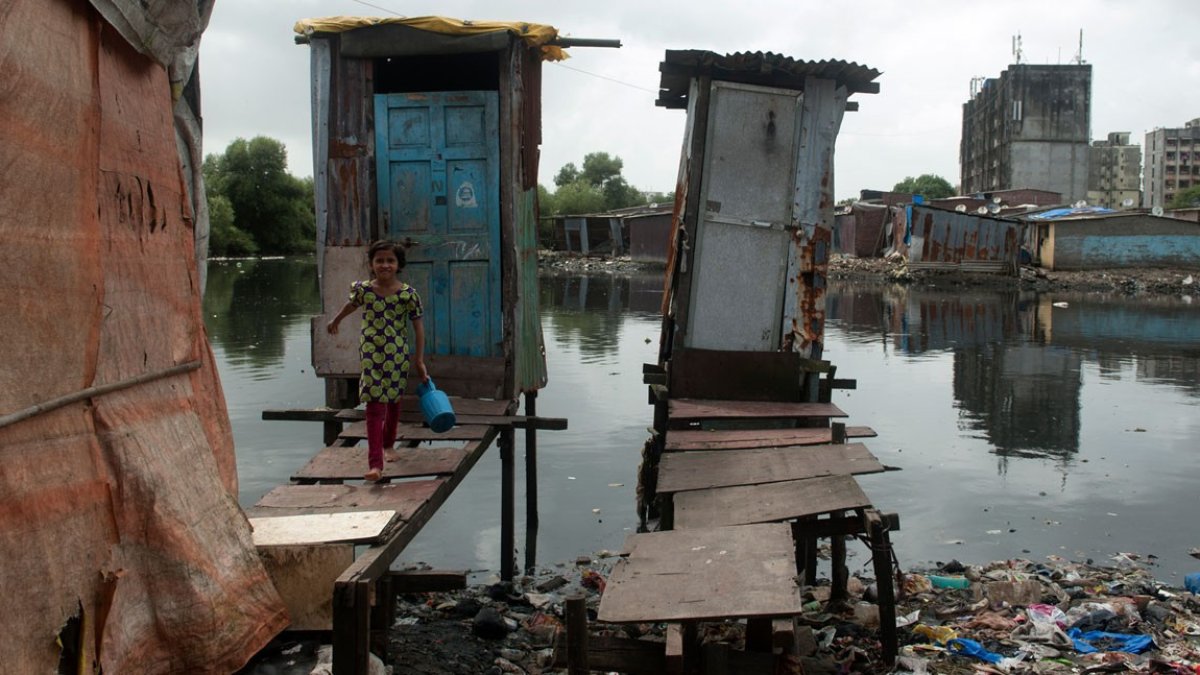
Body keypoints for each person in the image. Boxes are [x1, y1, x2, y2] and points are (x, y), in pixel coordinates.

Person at [326, 240, 427, 481]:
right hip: (371, 353)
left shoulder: (407, 295)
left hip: (397, 354)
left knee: (393, 400)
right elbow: (351, 305)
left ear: (398, 265)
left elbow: (418, 328)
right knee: (374, 404)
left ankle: (389, 443)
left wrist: (419, 360)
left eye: (390, 261)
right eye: (379, 260)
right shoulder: (364, 291)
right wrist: (336, 320)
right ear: (371, 264)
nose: (385, 265)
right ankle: (375, 464)